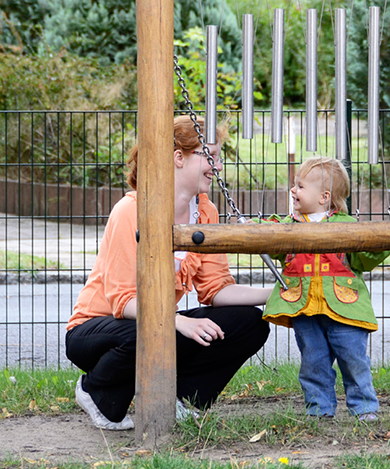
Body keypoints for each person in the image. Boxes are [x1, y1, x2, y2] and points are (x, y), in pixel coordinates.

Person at [65, 115, 272, 430]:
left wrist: (275, 295)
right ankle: (95, 389)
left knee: (250, 324)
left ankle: (186, 400)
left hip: (156, 322)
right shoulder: (130, 210)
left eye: (217, 157)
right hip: (98, 330)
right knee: (158, 331)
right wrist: (177, 322)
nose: (216, 166)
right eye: (209, 156)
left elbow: (216, 289)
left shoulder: (206, 212)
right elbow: (122, 300)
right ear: (179, 157)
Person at [262, 156, 389, 421]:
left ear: (324, 197)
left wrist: (379, 241)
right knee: (313, 362)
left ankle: (364, 408)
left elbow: (366, 257)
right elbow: (268, 237)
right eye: (294, 185)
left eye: (300, 186)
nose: (293, 191)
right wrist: (255, 229)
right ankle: (319, 409)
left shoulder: (348, 227)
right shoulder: (288, 226)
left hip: (344, 306)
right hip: (304, 307)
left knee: (353, 359)